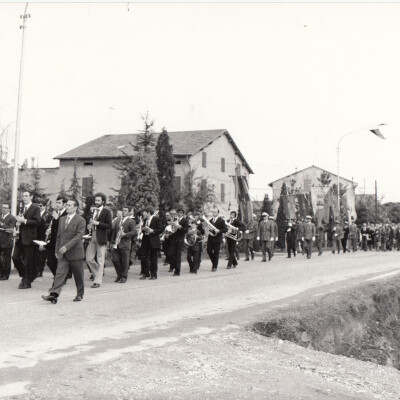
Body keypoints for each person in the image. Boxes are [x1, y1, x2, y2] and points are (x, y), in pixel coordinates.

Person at [41, 198, 86, 304]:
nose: (67, 207)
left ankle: (80, 294)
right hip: (62, 252)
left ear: (75, 208)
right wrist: (57, 250)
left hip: (75, 252)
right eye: (67, 205)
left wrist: (67, 246)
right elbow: (58, 236)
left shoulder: (80, 220)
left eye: (70, 205)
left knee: (78, 274)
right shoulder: (62, 219)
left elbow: (79, 236)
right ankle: (54, 294)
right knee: (59, 273)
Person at [12, 191, 41, 289]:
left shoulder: (35, 208)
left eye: (26, 196)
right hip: (20, 237)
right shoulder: (21, 208)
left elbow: (37, 222)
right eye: (23, 196)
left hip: (29, 238)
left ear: (31, 197)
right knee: (15, 257)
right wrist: (17, 224)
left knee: (28, 261)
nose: (24, 198)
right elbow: (18, 221)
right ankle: (24, 275)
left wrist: (24, 221)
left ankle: (27, 281)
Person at [86, 193, 112, 288]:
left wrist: (97, 223)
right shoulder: (93, 211)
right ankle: (99, 274)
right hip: (92, 235)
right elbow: (90, 222)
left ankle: (97, 281)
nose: (96, 202)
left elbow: (109, 225)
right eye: (96, 200)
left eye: (98, 200)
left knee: (100, 260)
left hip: (101, 237)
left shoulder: (106, 212)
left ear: (103, 202)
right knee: (89, 258)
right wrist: (90, 226)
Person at [111, 206, 136, 283]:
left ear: (129, 212)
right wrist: (112, 242)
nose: (123, 212)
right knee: (115, 260)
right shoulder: (118, 220)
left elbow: (134, 232)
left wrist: (125, 234)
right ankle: (119, 274)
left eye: (125, 210)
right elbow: (114, 232)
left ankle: (124, 277)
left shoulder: (131, 221)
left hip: (125, 244)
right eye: (123, 210)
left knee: (125, 262)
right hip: (116, 243)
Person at [46, 195, 68, 277]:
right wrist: (49, 230)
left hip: (61, 240)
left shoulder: (66, 214)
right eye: (57, 203)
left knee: (59, 260)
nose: (57, 205)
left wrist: (57, 219)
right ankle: (59, 276)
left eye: (59, 203)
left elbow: (64, 227)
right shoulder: (56, 213)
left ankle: (60, 277)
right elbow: (53, 226)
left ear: (65, 204)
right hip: (53, 239)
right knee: (50, 261)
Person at [140, 207, 163, 280]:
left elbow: (161, 229)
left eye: (145, 212)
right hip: (145, 241)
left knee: (153, 258)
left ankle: (153, 274)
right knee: (144, 257)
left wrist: (152, 231)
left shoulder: (156, 219)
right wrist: (145, 230)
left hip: (153, 242)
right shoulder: (145, 220)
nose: (143, 213)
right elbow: (143, 230)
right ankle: (145, 273)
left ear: (149, 212)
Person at [167, 206, 188, 276]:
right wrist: (170, 229)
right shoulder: (175, 219)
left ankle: (177, 271)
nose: (179, 214)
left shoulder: (185, 220)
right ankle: (173, 265)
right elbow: (172, 228)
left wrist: (179, 226)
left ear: (183, 213)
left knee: (177, 255)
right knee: (170, 253)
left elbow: (185, 230)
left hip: (179, 239)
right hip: (173, 238)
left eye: (181, 213)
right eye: (178, 212)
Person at [0, 204, 16, 280]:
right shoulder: (0, 216)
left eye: (6, 208)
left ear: (9, 209)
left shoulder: (12, 218)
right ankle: (1, 273)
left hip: (7, 241)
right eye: (3, 208)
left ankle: (5, 275)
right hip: (0, 240)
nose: (4, 209)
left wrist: (2, 225)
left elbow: (10, 229)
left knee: (6, 258)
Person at [35, 200, 51, 278]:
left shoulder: (48, 215)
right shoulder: (36, 214)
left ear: (44, 206)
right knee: (36, 253)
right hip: (36, 235)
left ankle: (40, 270)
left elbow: (50, 225)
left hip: (44, 235)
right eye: (38, 205)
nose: (39, 207)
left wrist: (42, 224)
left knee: (42, 253)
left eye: (41, 205)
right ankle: (36, 269)